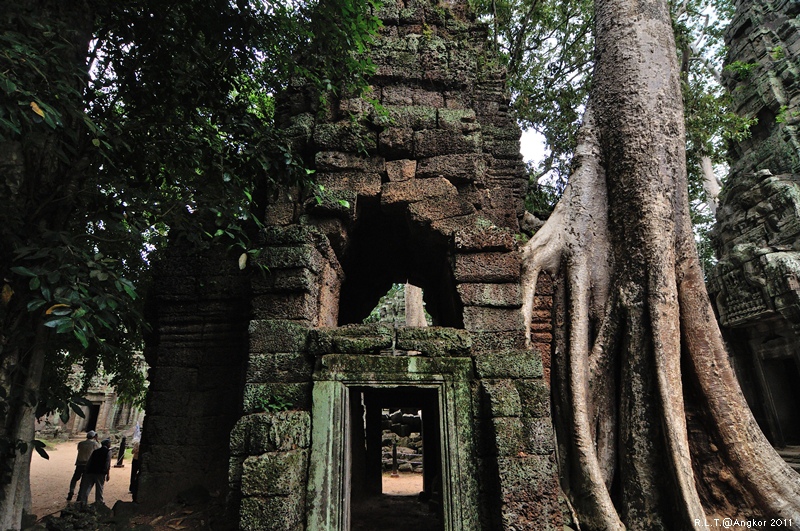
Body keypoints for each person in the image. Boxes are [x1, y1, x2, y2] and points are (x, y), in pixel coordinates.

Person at [77, 438, 112, 505]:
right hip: (100, 472)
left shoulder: (95, 451)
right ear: (108, 444)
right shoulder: (108, 451)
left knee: (88, 486)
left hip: (91, 470)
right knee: (99, 487)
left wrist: (87, 469)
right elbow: (107, 463)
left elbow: (89, 461)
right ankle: (99, 501)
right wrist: (108, 474)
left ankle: (83, 501)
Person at [67, 431, 100, 501]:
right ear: (94, 437)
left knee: (74, 479)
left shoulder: (81, 443)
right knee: (84, 481)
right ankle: (80, 496)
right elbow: (99, 449)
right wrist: (97, 440)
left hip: (79, 463)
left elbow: (79, 449)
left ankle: (71, 491)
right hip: (88, 464)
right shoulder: (94, 444)